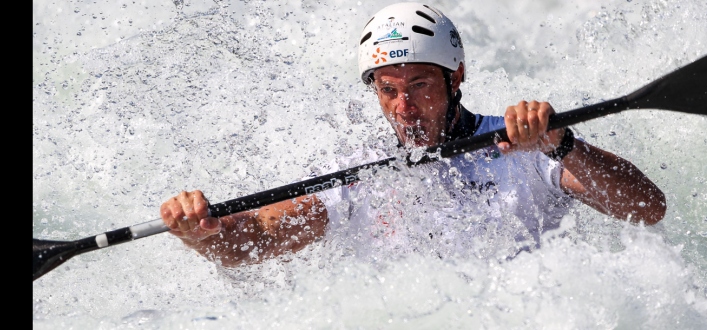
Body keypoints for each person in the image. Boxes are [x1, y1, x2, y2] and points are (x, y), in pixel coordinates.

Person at [159, 2, 666, 267]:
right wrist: (205, 234)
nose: (405, 107)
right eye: (388, 90)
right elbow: (260, 238)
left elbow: (648, 209)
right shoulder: (358, 171)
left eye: (420, 85)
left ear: (457, 76)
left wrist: (564, 144)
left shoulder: (526, 146)